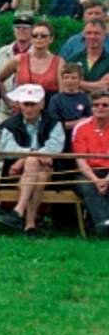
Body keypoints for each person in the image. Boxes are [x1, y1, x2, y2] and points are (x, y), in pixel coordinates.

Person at [0, 83, 65, 235]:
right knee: (38, 176)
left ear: (42, 104)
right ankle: (30, 225)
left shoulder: (54, 122)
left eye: (33, 104)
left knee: (33, 164)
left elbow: (55, 147)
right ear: (20, 105)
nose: (29, 109)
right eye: (26, 104)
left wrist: (24, 159)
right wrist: (32, 154)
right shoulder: (9, 125)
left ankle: (19, 210)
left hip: (50, 170)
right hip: (15, 172)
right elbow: (8, 150)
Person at [68, 93, 109, 235]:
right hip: (87, 173)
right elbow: (81, 160)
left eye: (105, 105)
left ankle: (100, 224)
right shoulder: (81, 127)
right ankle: (104, 223)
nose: (100, 108)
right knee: (88, 186)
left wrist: (106, 179)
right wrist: (96, 180)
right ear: (91, 108)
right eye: (96, 105)